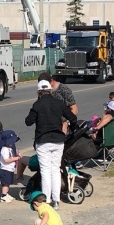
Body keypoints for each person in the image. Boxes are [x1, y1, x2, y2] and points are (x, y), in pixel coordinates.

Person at [25, 80, 78, 210]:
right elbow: (73, 118)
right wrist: (70, 127)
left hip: (43, 141)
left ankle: (46, 200)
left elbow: (28, 122)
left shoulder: (37, 105)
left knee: (45, 171)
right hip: (58, 140)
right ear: (50, 90)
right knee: (55, 170)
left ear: (38, 91)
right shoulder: (59, 103)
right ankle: (56, 201)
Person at [0, 131, 20, 203]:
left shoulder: (9, 148)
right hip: (5, 169)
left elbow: (11, 156)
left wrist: (16, 154)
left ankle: (6, 194)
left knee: (8, 182)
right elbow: (6, 160)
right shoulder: (4, 149)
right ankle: (3, 196)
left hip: (10, 169)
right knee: (5, 184)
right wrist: (15, 158)